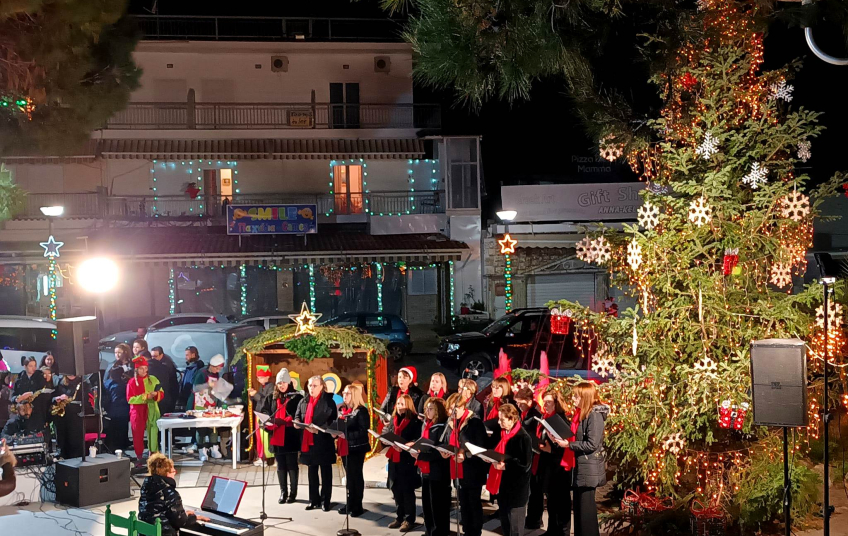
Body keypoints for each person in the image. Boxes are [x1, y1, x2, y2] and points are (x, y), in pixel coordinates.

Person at [552, 382, 609, 536]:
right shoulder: (580, 414)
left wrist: (569, 445)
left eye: (576, 396)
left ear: (585, 397)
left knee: (586, 513)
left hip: (588, 469)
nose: (573, 399)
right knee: (579, 511)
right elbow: (575, 436)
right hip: (580, 467)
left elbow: (592, 444)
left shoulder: (594, 416)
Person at [442, 392, 490, 536]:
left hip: (472, 470)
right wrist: (445, 451)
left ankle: (475, 532)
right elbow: (446, 441)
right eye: (450, 409)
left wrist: (465, 455)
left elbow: (481, 447)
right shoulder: (451, 423)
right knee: (463, 503)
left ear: (463, 407)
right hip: (457, 468)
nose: (452, 412)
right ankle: (466, 531)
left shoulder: (474, 422)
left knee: (473, 503)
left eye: (455, 408)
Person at [534, 389, 575, 536]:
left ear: (556, 403)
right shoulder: (546, 418)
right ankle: (552, 530)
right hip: (548, 463)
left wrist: (551, 449)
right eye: (544, 402)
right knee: (551, 499)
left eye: (549, 402)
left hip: (560, 465)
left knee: (561, 500)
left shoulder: (560, 419)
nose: (545, 405)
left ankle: (563, 531)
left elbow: (566, 444)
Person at [487, 403, 532, 536]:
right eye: (499, 419)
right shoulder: (502, 434)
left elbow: (525, 465)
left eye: (502, 419)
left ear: (512, 419)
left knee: (515, 529)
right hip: (504, 488)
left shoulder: (522, 437)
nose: (499, 422)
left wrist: (505, 466)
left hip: (517, 490)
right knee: (505, 526)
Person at [138, 453, 209, 535]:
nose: (175, 473)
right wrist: (194, 517)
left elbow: (160, 513)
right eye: (173, 471)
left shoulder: (146, 489)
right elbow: (181, 522)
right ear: (166, 473)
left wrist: (184, 515)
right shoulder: (169, 492)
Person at [295, 375, 338, 511]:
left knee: (325, 472)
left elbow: (333, 420)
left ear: (322, 387)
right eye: (310, 385)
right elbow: (297, 415)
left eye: (315, 385)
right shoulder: (303, 401)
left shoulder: (328, 401)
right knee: (312, 472)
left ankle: (325, 501)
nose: (311, 388)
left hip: (323, 441)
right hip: (308, 441)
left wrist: (319, 429)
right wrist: (297, 423)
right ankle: (313, 500)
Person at [413, 397, 451, 536]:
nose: (427, 411)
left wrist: (420, 456)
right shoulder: (426, 424)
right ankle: (429, 530)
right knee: (427, 505)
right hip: (425, 470)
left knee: (438, 506)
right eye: (426, 408)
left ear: (438, 411)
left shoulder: (443, 427)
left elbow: (440, 452)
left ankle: (439, 532)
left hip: (438, 471)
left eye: (431, 409)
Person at [384, 393, 421, 532]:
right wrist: (385, 439)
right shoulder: (394, 419)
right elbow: (388, 433)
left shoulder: (415, 421)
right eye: (398, 404)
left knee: (407, 490)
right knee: (396, 489)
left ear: (408, 406)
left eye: (402, 404)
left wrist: (407, 445)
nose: (399, 407)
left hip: (407, 459)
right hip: (394, 458)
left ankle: (409, 519)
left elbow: (417, 439)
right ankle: (399, 517)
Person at [265, 368, 303, 504]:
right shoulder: (271, 397)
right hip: (276, 435)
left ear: (289, 383)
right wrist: (267, 421)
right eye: (279, 383)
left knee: (292, 465)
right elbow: (265, 411)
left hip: (290, 436)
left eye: (284, 382)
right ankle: (283, 492)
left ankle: (293, 493)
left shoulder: (296, 397)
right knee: (280, 465)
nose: (281, 385)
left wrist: (289, 419)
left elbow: (300, 413)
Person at [336, 383, 370, 517]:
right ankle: (350, 503)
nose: (344, 396)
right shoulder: (344, 410)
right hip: (345, 447)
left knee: (356, 476)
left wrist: (347, 435)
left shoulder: (361, 411)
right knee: (349, 477)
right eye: (343, 393)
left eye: (347, 393)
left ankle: (357, 506)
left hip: (357, 448)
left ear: (354, 395)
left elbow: (363, 430)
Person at [513, 387, 544, 531]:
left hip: (535, 456)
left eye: (521, 403)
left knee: (535, 490)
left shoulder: (534, 415)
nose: (518, 405)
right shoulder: (524, 413)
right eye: (517, 403)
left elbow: (533, 435)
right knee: (531, 489)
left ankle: (535, 519)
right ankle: (532, 517)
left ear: (530, 401)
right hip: (526, 454)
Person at [190, 354, 228, 461]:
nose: (218, 371)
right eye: (217, 368)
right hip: (200, 403)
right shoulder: (201, 373)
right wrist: (207, 385)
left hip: (211, 402)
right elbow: (195, 388)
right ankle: (201, 449)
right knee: (201, 426)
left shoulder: (216, 374)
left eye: (219, 369)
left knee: (213, 425)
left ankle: (214, 447)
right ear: (212, 365)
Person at [127, 355, 164, 463]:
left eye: (145, 368)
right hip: (137, 411)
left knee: (153, 431)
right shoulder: (132, 382)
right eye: (141, 368)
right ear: (136, 370)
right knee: (137, 434)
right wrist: (145, 397)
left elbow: (161, 393)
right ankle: (139, 456)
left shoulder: (153, 379)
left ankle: (153, 455)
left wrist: (156, 394)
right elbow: (130, 399)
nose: (144, 371)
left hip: (152, 409)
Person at [52, 373, 93, 459]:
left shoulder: (83, 383)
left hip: (76, 416)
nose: (70, 375)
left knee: (75, 442)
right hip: (62, 417)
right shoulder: (60, 382)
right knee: (62, 440)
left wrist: (69, 398)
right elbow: (52, 396)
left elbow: (87, 400)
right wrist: (56, 399)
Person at [103, 344, 133, 454]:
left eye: (119, 352)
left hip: (127, 396)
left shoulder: (131, 365)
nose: (117, 355)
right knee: (116, 424)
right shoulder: (112, 365)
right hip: (115, 398)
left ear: (125, 352)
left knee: (124, 423)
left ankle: (124, 442)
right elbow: (106, 380)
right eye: (115, 352)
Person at [11, 357, 48, 432]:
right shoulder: (19, 378)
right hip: (23, 413)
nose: (34, 368)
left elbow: (44, 393)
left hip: (37, 413)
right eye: (31, 366)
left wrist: (31, 393)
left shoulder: (40, 377)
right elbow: (13, 395)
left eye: (35, 366)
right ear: (25, 366)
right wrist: (16, 399)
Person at [249, 365, 275, 467]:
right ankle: (261, 457)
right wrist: (252, 396)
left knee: (265, 438)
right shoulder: (262, 387)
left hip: (265, 415)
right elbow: (258, 400)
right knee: (259, 437)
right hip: (259, 414)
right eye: (258, 378)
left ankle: (267, 458)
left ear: (267, 377)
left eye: (260, 377)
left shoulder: (271, 387)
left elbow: (267, 401)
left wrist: (255, 394)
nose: (258, 379)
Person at [148, 346, 179, 415]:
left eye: (155, 356)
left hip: (166, 396)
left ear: (161, 355)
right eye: (152, 356)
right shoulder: (156, 365)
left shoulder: (166, 366)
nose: (153, 358)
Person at [177, 346, 205, 412]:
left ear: (193, 355)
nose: (185, 357)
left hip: (193, 398)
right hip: (186, 398)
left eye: (187, 355)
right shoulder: (189, 368)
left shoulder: (197, 368)